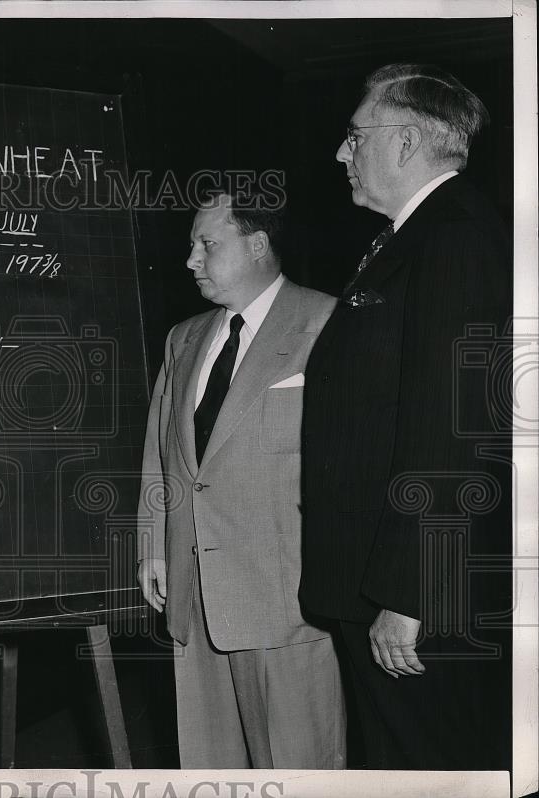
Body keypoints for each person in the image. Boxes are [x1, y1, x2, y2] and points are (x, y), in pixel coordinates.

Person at [300, 64, 512, 770]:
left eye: (354, 137)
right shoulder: (414, 235)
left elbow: (452, 427)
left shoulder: (454, 238)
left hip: (410, 592)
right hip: (380, 577)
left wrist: (410, 593)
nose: (341, 154)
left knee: (425, 765)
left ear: (406, 140)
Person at [136, 192, 344, 769]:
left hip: (287, 596)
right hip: (195, 589)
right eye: (191, 247)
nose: (191, 261)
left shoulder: (328, 322)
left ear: (258, 246)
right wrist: (154, 547)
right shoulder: (185, 337)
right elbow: (162, 451)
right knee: (210, 764)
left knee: (299, 766)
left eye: (207, 245)